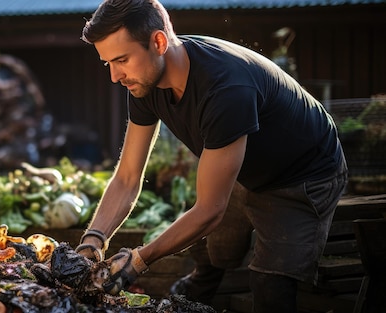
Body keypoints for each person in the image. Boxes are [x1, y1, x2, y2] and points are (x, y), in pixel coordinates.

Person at [73, 1, 348, 312]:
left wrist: (138, 260)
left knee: (270, 282)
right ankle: (196, 289)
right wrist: (92, 242)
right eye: (107, 62)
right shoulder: (143, 80)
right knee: (214, 251)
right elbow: (127, 177)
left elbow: (209, 211)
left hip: (303, 175)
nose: (114, 76)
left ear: (159, 42)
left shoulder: (225, 88)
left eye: (121, 60)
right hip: (245, 165)